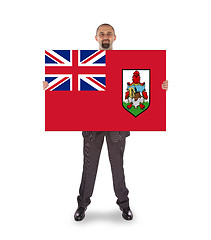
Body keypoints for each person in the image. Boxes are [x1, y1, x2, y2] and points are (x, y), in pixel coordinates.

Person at [43, 23, 168, 222]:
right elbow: (73, 91)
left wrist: (160, 85)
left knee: (117, 166)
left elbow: (144, 83)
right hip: (92, 124)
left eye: (108, 33)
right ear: (96, 38)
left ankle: (124, 204)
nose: (105, 36)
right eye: (102, 34)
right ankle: (82, 205)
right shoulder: (86, 65)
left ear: (115, 37)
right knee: (89, 166)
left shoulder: (127, 63)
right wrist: (52, 86)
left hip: (117, 125)